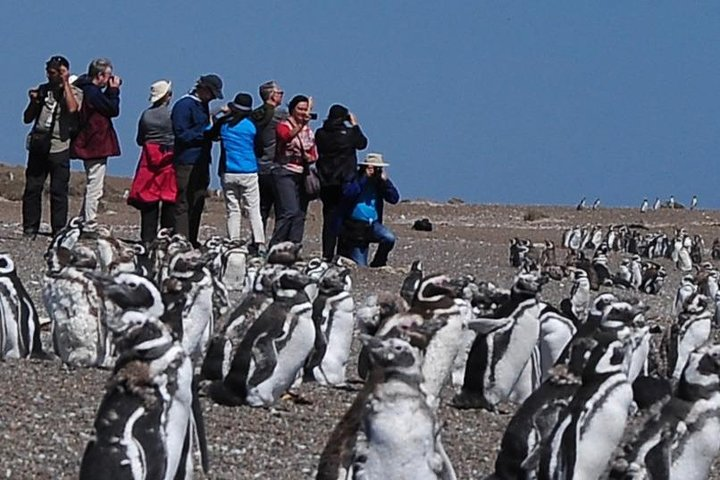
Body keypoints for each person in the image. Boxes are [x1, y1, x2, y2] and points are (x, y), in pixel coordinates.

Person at [21, 55, 82, 239]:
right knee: (33, 187)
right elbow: (27, 118)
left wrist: (65, 84)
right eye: (49, 72)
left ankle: (58, 229)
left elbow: (73, 108)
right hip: (39, 144)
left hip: (59, 145)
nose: (50, 76)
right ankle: (30, 227)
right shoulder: (42, 90)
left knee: (58, 190)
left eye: (54, 72)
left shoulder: (74, 92)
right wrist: (34, 101)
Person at [171, 74, 223, 247]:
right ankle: (181, 239)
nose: (213, 98)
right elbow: (182, 134)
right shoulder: (184, 106)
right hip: (186, 160)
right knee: (184, 200)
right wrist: (205, 133)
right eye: (212, 94)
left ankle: (192, 238)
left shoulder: (203, 106)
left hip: (202, 160)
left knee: (198, 199)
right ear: (203, 89)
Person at [71, 58, 121, 235]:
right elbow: (112, 109)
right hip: (95, 142)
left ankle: (83, 218)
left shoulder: (84, 89)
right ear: (100, 75)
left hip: (87, 140)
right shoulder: (92, 93)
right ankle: (89, 221)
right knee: (95, 184)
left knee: (92, 181)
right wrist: (113, 91)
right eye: (108, 76)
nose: (110, 79)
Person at [212, 93, 265, 251]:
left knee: (233, 209)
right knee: (253, 209)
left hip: (229, 170)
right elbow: (260, 148)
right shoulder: (252, 125)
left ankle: (233, 241)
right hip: (248, 170)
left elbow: (210, 132)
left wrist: (218, 111)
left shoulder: (224, 125)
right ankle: (259, 242)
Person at [315, 104, 368, 260]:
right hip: (345, 180)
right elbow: (362, 143)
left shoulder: (320, 133)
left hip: (326, 180)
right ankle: (343, 252)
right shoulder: (349, 134)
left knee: (329, 218)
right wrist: (355, 124)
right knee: (345, 217)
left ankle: (327, 253)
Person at [127, 80, 176, 245]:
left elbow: (140, 139)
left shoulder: (146, 115)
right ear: (167, 96)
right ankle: (166, 236)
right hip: (169, 156)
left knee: (149, 198)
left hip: (149, 156)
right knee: (169, 197)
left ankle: (147, 238)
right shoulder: (171, 115)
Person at [269, 94, 318, 247]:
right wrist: (301, 125)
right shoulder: (283, 125)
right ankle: (276, 245)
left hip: (302, 172)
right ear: (292, 110)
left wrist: (310, 157)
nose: (303, 112)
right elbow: (286, 137)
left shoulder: (309, 131)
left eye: (305, 109)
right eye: (300, 109)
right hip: (284, 171)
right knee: (289, 211)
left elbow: (313, 151)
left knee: (300, 213)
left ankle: (294, 246)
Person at [336, 153, 400, 267]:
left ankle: (379, 262)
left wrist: (386, 182)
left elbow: (394, 198)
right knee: (361, 266)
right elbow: (349, 194)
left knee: (389, 238)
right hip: (355, 226)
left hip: (373, 224)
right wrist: (364, 178)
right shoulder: (355, 178)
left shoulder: (379, 183)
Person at [252, 80, 287, 232]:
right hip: (275, 164)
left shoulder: (256, 114)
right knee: (281, 208)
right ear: (272, 95)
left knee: (262, 208)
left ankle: (257, 240)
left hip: (259, 163)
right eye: (280, 93)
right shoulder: (279, 115)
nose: (282, 95)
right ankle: (276, 242)